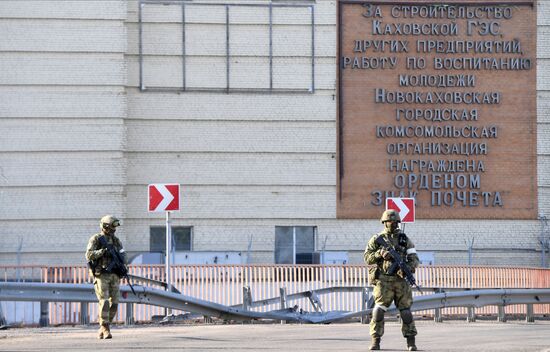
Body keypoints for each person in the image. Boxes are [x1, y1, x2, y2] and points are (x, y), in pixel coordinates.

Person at [364, 209, 420, 351]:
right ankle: (375, 341)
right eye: (390, 221)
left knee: (406, 312)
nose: (392, 224)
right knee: (378, 311)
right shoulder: (377, 239)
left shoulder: (404, 239)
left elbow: (414, 259)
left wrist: (407, 267)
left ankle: (411, 342)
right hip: (383, 281)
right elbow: (367, 258)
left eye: (395, 222)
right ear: (384, 222)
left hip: (401, 281)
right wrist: (380, 253)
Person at [86, 215, 127, 339]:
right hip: (101, 274)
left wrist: (120, 261)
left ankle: (104, 326)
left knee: (114, 302)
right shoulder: (96, 239)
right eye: (112, 226)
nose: (114, 230)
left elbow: (124, 256)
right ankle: (105, 327)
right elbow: (88, 255)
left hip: (114, 274)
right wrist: (102, 252)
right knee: (103, 301)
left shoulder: (116, 241)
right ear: (105, 226)